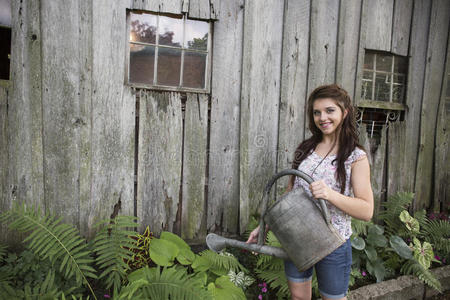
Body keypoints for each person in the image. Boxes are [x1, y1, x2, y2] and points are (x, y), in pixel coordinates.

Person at [246, 84, 374, 300]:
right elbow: (290, 192)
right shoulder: (305, 148)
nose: (322, 117)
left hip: (333, 243)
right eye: (317, 112)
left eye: (329, 110)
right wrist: (265, 226)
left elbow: (367, 210)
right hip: (296, 237)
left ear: (344, 112)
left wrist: (329, 194)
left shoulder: (355, 157)